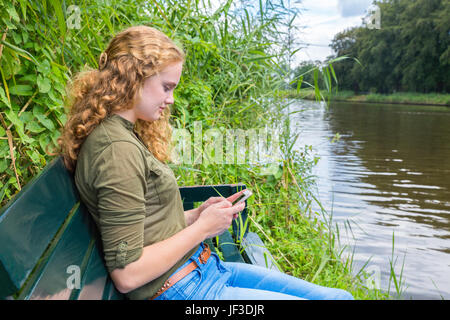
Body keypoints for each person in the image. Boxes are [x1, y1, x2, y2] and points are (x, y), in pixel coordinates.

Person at [58, 25, 353, 300]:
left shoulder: (122, 135)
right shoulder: (115, 151)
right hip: (187, 290)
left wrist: (197, 216)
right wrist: (202, 230)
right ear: (134, 77)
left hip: (204, 271)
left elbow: (147, 227)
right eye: (166, 87)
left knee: (340, 298)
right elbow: (128, 274)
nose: (170, 99)